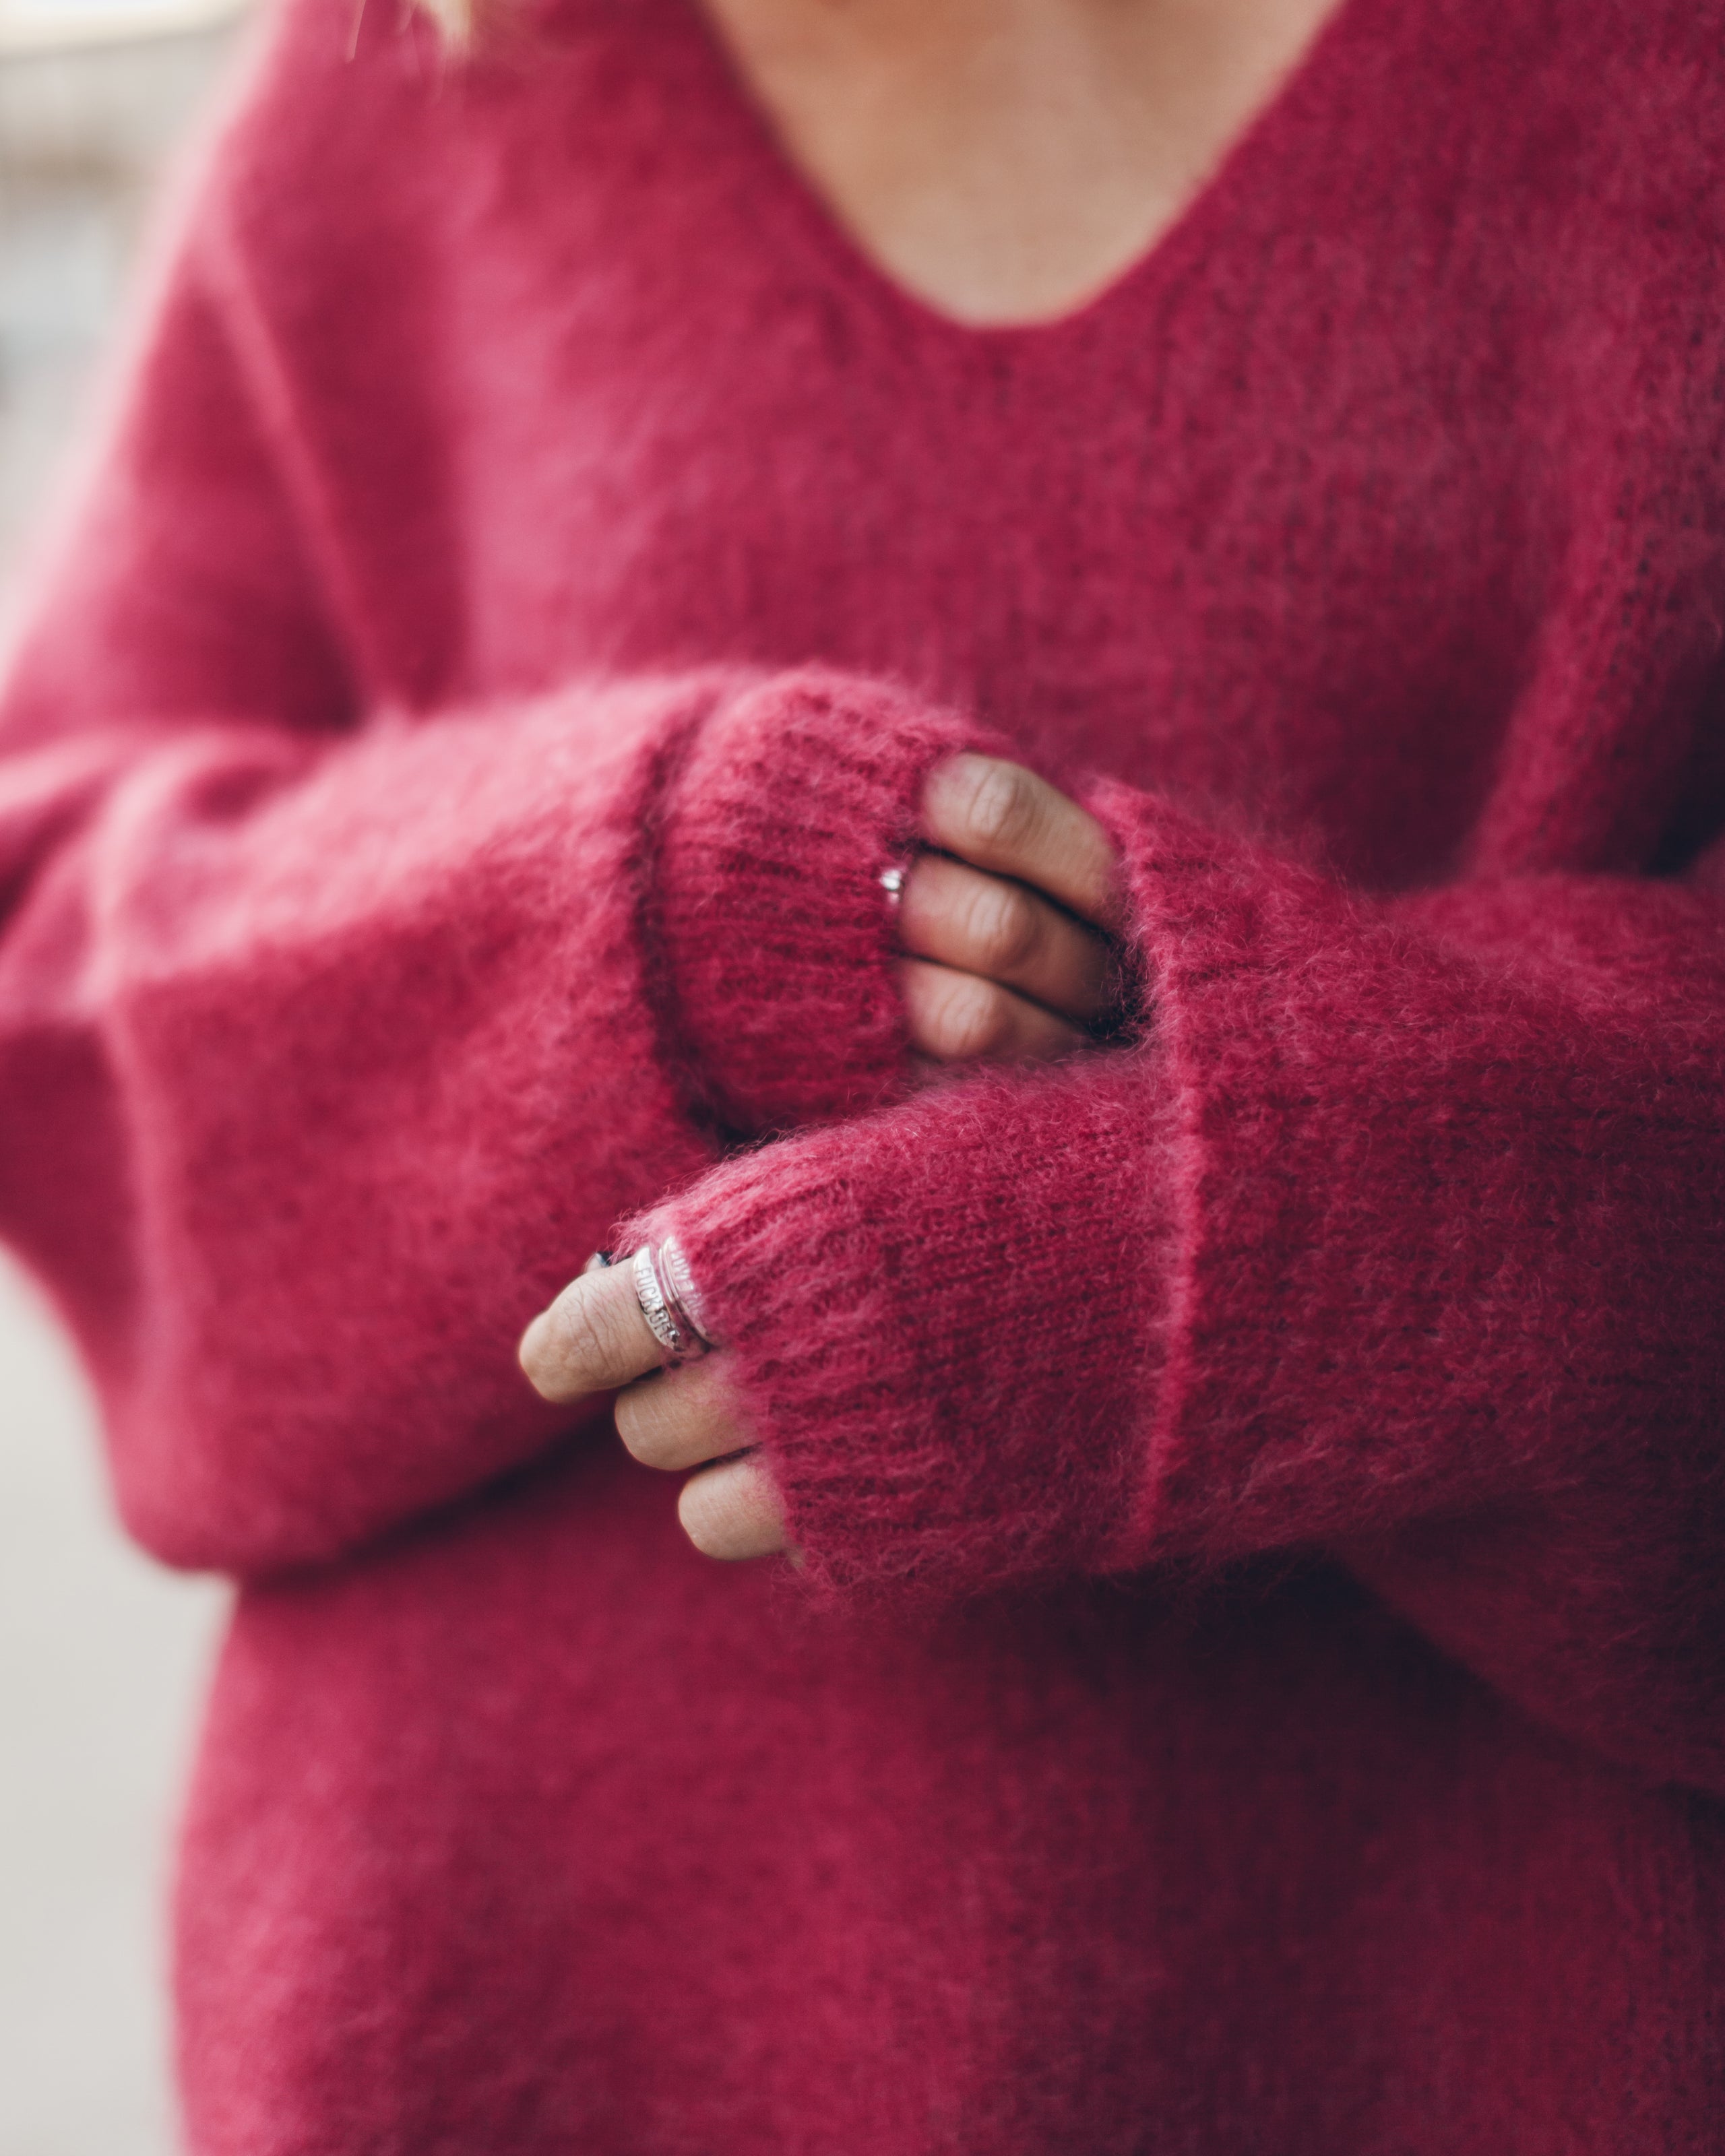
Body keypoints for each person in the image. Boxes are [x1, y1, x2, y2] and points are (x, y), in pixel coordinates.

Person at [1, 0, 1722, 2145]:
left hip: (1436, 2031)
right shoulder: (393, 111)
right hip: (514, 2025)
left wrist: (1217, 1245)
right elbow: (50, 951)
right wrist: (625, 904)